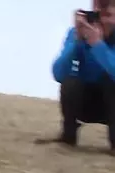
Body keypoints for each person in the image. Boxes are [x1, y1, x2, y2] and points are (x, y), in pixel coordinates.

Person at [37, 1, 115, 155]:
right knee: (70, 81)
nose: (104, 10)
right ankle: (68, 136)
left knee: (110, 82)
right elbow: (58, 73)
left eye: (110, 5)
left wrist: (98, 45)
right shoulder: (77, 33)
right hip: (85, 103)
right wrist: (77, 41)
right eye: (100, 5)